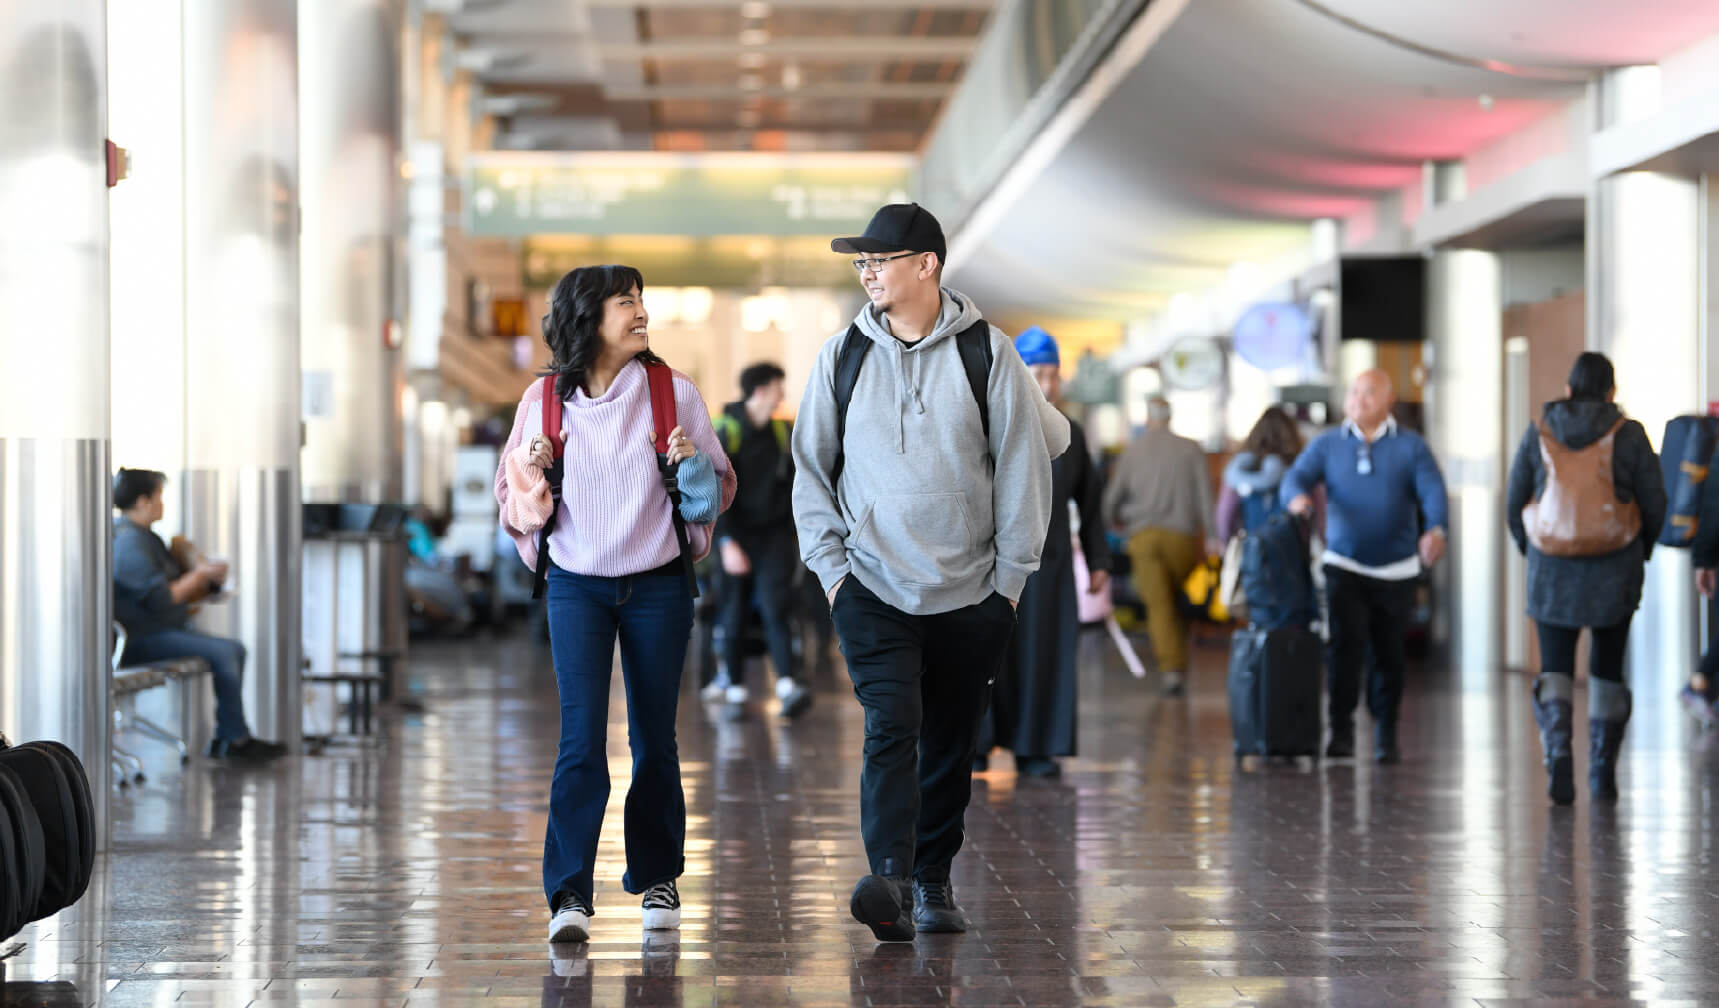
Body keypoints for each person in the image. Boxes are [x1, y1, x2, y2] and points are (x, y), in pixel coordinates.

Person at [792, 202, 1068, 942]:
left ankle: (931, 881)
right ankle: (887, 875)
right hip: (871, 586)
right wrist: (832, 572)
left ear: (927, 265)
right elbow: (810, 470)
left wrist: (1009, 580)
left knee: (950, 741)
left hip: (971, 589)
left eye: (879, 260)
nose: (867, 274)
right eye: (861, 264)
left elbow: (1022, 466)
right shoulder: (839, 356)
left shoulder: (987, 352)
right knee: (892, 725)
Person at [495, 264, 735, 944]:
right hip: (576, 585)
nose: (639, 312)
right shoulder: (542, 403)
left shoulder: (672, 394)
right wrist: (531, 468)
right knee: (579, 741)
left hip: (658, 582)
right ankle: (569, 892)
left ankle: (657, 875)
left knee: (655, 739)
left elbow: (716, 491)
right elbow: (516, 509)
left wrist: (691, 463)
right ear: (587, 316)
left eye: (640, 300)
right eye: (625, 302)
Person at [1505, 352, 1664, 804]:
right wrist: (1639, 552)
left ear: (1569, 388)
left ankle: (1558, 755)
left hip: (1551, 572)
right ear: (1612, 392)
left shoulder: (1540, 431)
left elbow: (1515, 500)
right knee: (1607, 669)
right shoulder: (1629, 434)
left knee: (1555, 667)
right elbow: (1654, 503)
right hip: (1615, 569)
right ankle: (1601, 769)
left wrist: (1533, 551)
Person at [1282, 368, 1449, 764]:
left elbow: (1433, 492)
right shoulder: (1328, 445)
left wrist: (1437, 529)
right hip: (1344, 565)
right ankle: (1340, 733)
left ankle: (1385, 733)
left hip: (1397, 570)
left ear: (1389, 399)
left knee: (1388, 656)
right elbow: (1296, 477)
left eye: (1369, 392)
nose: (1358, 399)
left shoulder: (1411, 447)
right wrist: (1297, 499)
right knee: (1344, 652)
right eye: (1354, 392)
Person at [976, 327, 1110, 778]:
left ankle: (1036, 747)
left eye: (1053, 374)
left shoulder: (1068, 434)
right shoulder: (988, 424)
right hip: (990, 567)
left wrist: (1098, 562)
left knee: (1044, 659)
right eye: (1037, 372)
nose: (1046, 384)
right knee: (983, 657)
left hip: (1049, 570)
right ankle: (975, 744)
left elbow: (1090, 503)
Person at [110, 468, 288, 762]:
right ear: (143, 501)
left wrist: (207, 584)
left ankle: (231, 735)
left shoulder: (145, 538)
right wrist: (201, 574)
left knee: (231, 651)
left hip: (163, 632)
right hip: (141, 639)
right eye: (159, 497)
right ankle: (234, 738)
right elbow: (162, 598)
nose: (162, 504)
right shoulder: (130, 543)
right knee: (228, 651)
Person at [710, 361, 812, 720]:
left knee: (776, 606)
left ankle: (787, 683)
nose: (782, 395)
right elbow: (714, 490)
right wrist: (725, 543)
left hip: (773, 536)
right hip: (735, 535)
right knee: (734, 611)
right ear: (762, 390)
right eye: (778, 387)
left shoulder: (781, 434)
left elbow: (791, 487)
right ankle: (735, 689)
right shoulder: (726, 431)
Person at [1101, 396, 1218, 696]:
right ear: (1170, 416)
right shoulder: (1191, 449)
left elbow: (1111, 500)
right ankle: (1178, 663)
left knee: (1159, 605)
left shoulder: (1133, 452)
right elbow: (1205, 497)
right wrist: (1214, 536)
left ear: (1148, 417)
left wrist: (1113, 523)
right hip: (1183, 538)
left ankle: (1172, 669)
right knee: (1178, 601)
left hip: (1143, 538)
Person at [1215, 406, 1320, 543]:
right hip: (1292, 550)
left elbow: (1225, 516)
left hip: (1252, 549)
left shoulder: (1237, 473)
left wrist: (1227, 544)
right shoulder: (1302, 469)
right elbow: (1318, 516)